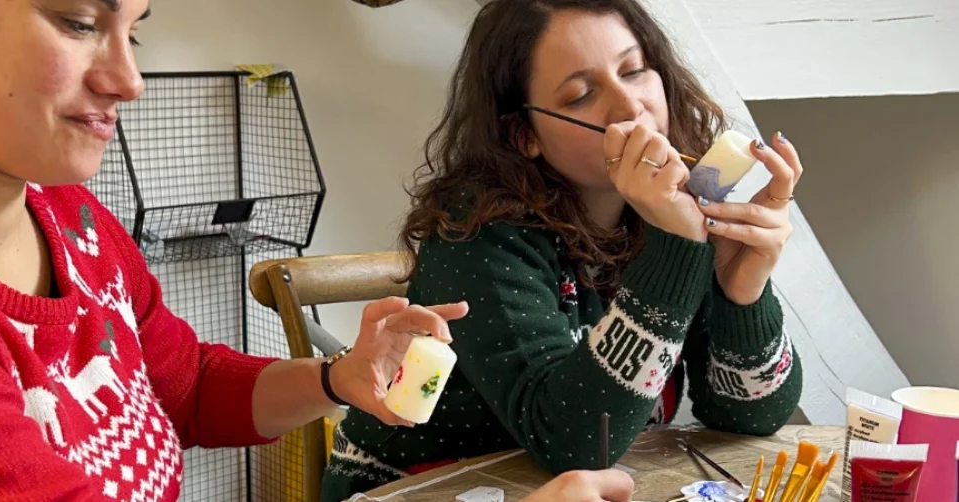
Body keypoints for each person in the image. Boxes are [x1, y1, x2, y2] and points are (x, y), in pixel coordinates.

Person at [0, 1, 641, 501]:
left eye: (134, 31)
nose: (128, 78)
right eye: (79, 23)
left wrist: (336, 380)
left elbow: (188, 385)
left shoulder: (65, 215)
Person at [322, 0, 805, 499]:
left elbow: (751, 414)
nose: (630, 106)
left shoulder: (675, 213)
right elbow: (575, 442)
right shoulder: (477, 235)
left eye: (635, 70)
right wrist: (676, 248)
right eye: (581, 95)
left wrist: (742, 295)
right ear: (524, 134)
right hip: (421, 487)